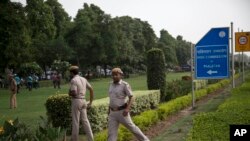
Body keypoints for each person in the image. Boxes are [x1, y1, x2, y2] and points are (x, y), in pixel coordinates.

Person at [108, 68, 149, 141]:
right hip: (112, 113)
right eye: (113, 75)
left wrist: (127, 109)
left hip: (122, 112)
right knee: (111, 133)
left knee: (132, 128)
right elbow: (112, 98)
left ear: (120, 75)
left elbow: (131, 97)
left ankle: (145, 140)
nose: (114, 76)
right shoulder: (111, 85)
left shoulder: (124, 85)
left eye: (116, 75)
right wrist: (109, 110)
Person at [68, 66, 94, 141]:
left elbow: (74, 93)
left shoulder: (74, 80)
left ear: (72, 72)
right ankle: (91, 139)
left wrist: (69, 93)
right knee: (85, 121)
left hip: (76, 101)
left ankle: (75, 139)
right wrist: (91, 101)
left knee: (76, 121)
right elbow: (91, 89)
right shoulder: (83, 79)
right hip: (84, 100)